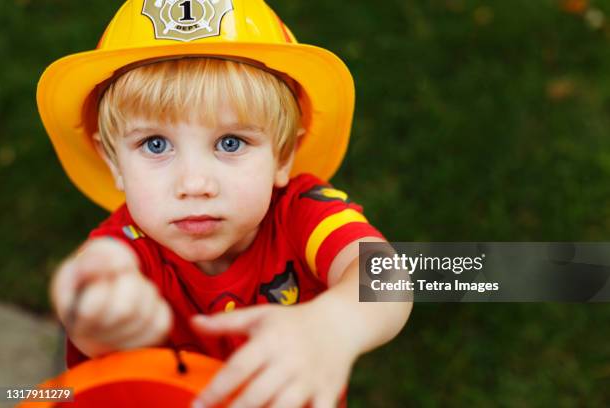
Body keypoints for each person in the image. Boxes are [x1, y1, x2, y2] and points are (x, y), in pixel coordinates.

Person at [38, 0, 412, 406]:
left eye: (230, 143)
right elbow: (90, 304)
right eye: (155, 144)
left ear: (284, 156)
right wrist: (97, 311)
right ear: (113, 161)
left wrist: (333, 325)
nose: (195, 184)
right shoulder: (125, 247)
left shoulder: (300, 212)